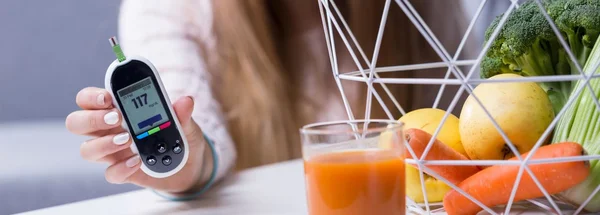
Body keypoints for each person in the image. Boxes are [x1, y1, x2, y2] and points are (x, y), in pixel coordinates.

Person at [65, 0, 468, 199]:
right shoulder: (167, 9)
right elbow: (199, 131)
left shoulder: (420, 9)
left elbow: (469, 137)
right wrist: (186, 165)